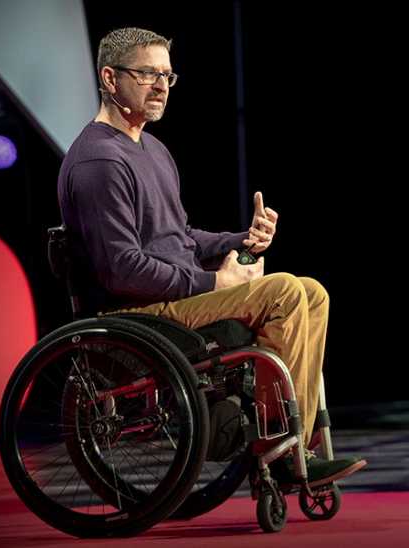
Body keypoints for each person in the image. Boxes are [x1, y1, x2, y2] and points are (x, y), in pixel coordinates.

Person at [56, 27, 365, 486]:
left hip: (172, 300)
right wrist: (213, 284)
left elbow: (178, 237)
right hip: (137, 314)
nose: (161, 86)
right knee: (281, 293)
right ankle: (280, 449)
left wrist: (240, 240)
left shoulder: (153, 149)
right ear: (109, 77)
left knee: (312, 292)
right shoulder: (100, 161)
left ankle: (291, 443)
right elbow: (121, 269)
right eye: (147, 74)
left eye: (167, 75)